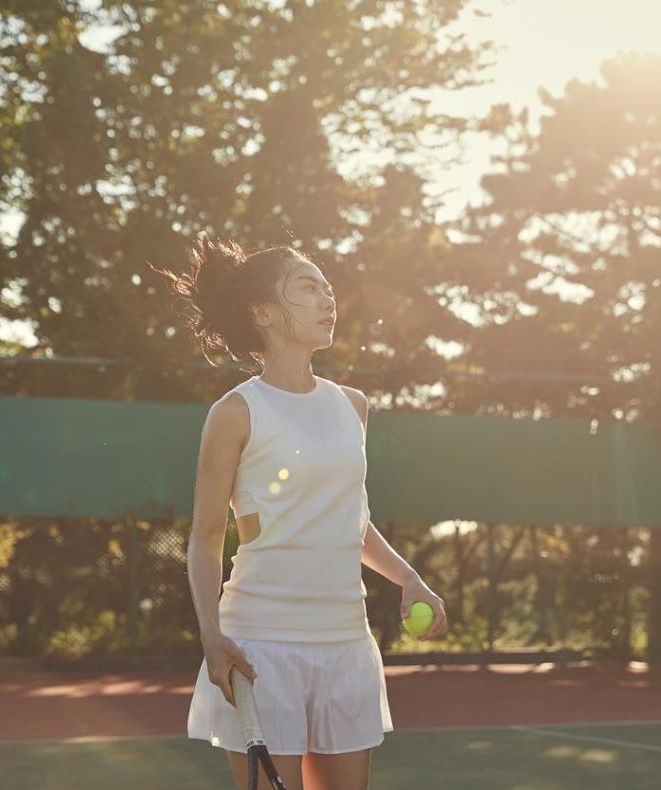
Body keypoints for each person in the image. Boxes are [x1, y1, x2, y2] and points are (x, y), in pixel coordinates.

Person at [149, 233, 447, 790]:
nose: (327, 298)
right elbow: (207, 537)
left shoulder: (352, 406)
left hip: (346, 642)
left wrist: (411, 580)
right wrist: (212, 635)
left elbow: (352, 522)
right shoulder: (235, 412)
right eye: (308, 287)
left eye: (328, 287)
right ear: (263, 312)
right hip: (260, 646)